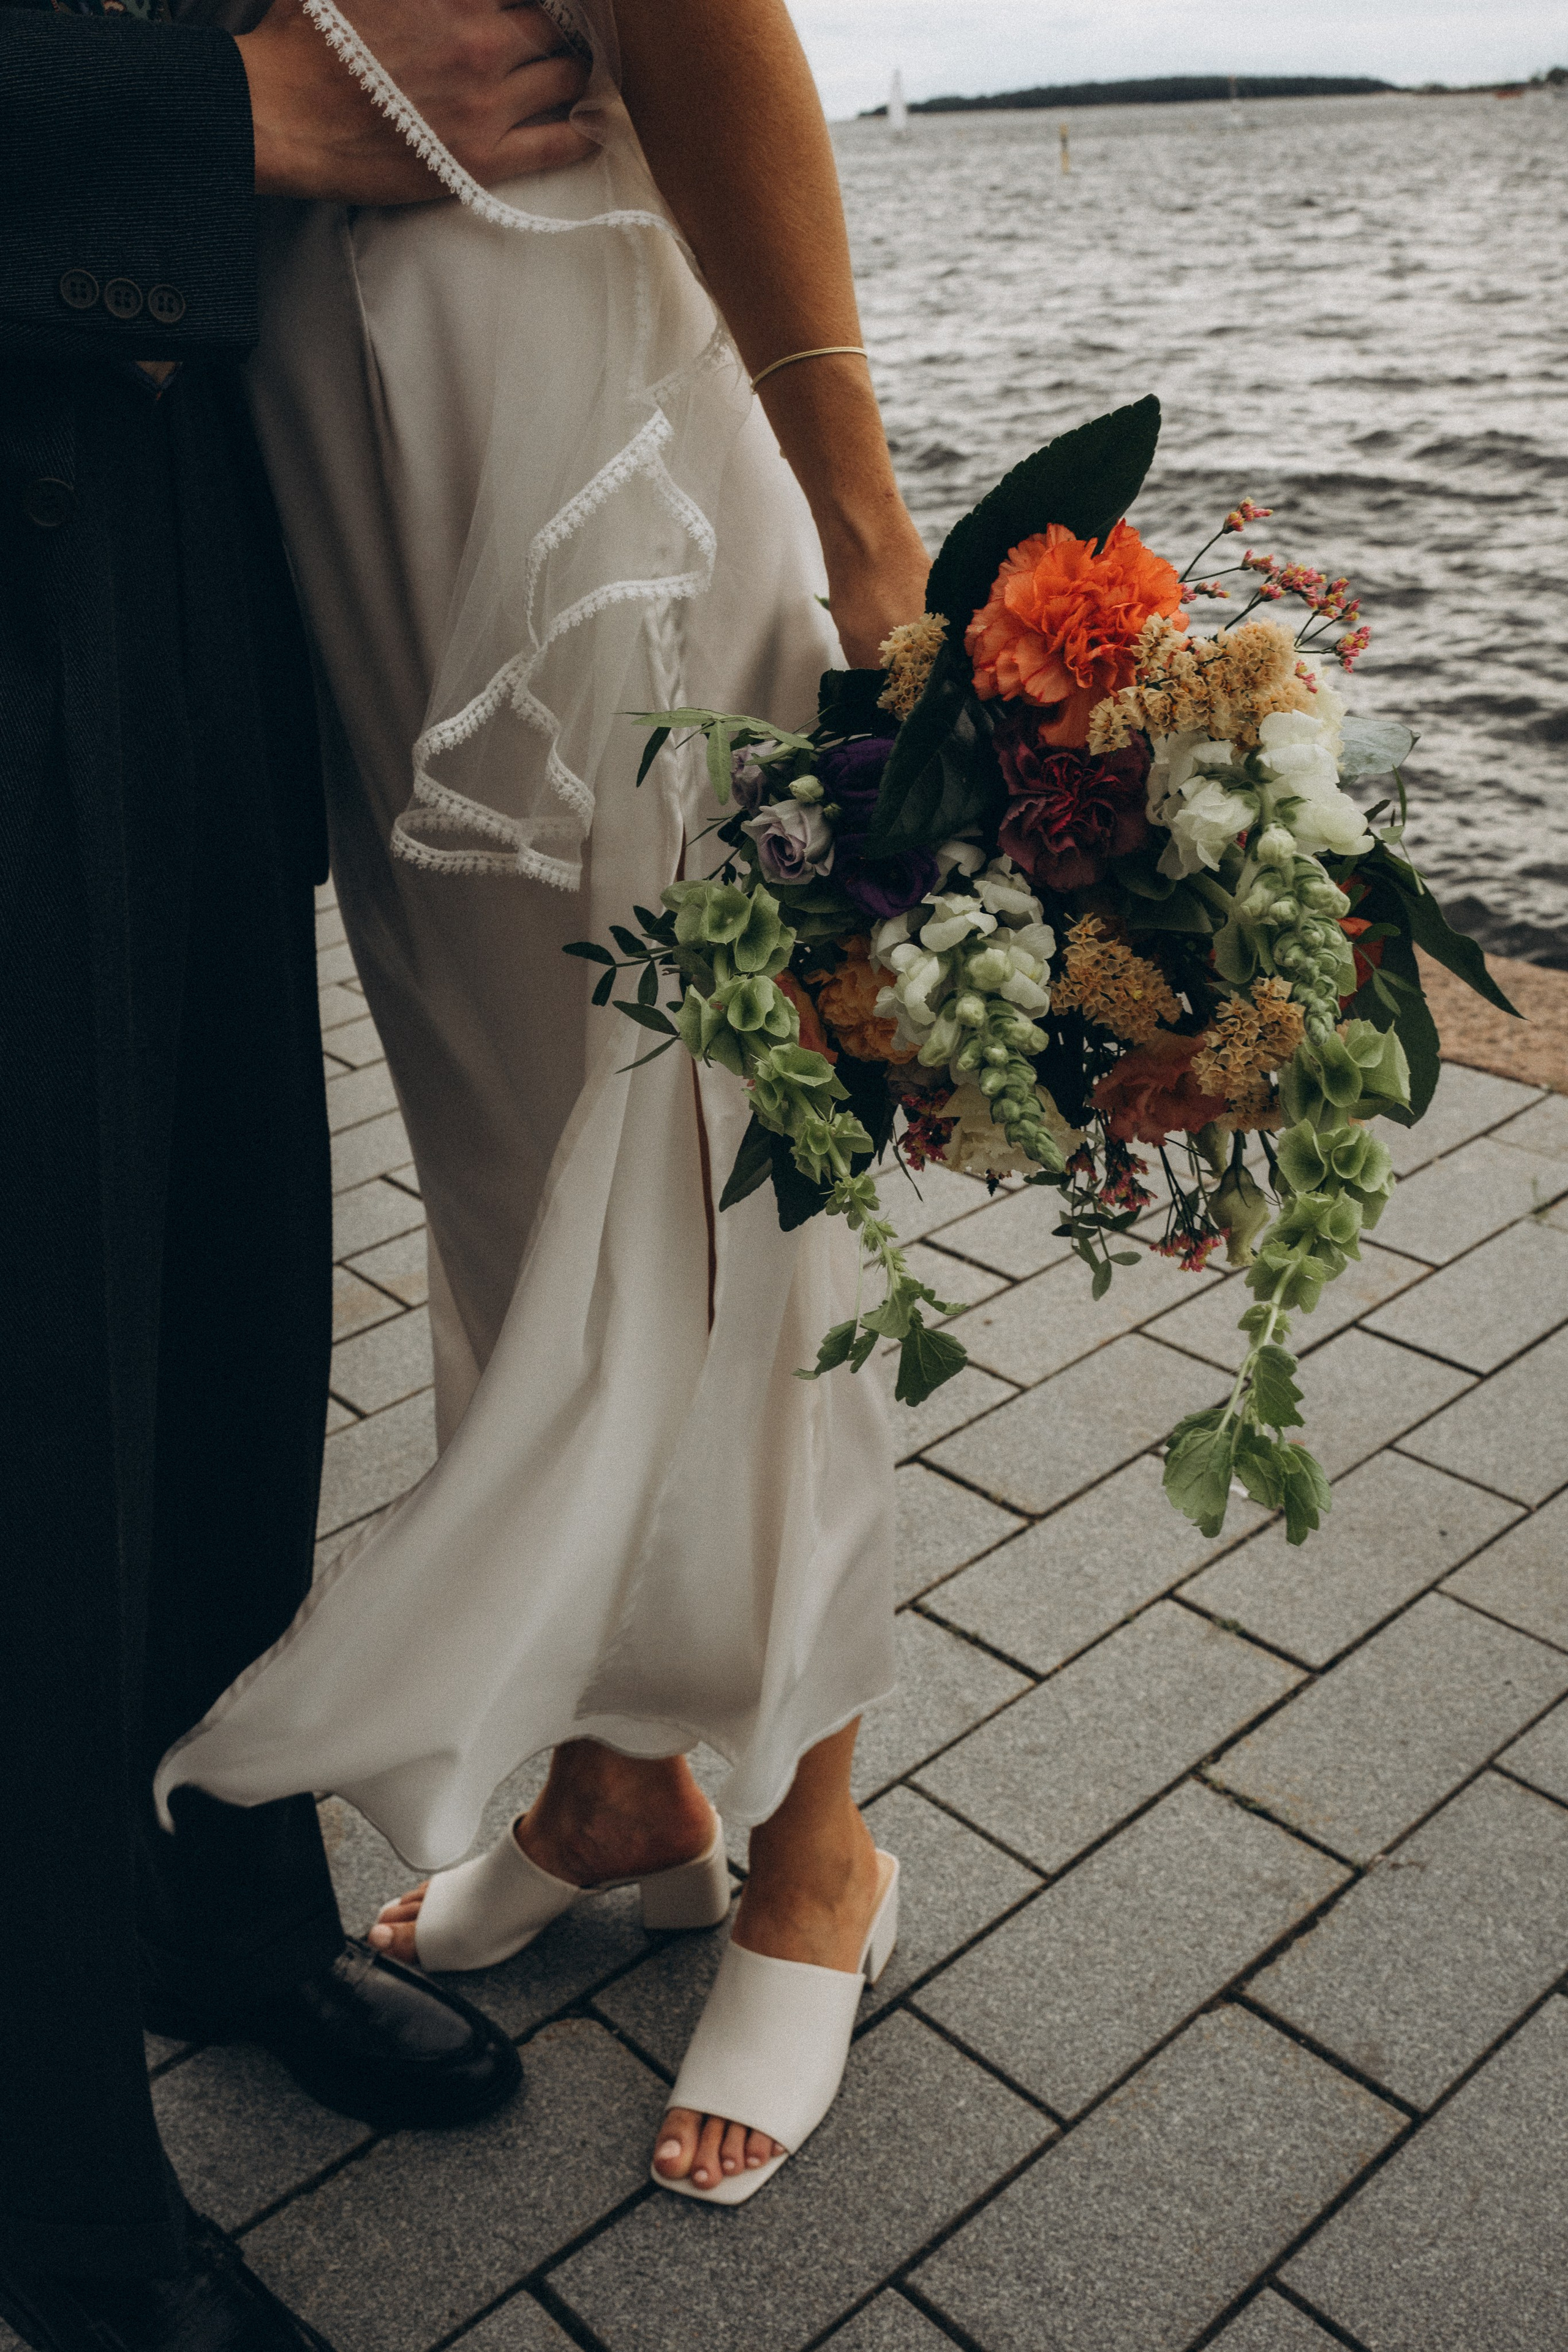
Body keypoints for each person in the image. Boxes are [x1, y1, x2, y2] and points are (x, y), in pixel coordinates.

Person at [156, 0, 932, 2204]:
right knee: (511, 1161)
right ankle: (616, 1790)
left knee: (723, 1155)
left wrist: (865, 536)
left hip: (594, 427)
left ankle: (816, 1841)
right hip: (337, 436)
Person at [0, 3, 597, 2345]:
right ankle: (55, 2189)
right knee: (40, 1368)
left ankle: (207, 1907)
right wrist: (205, 117)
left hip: (179, 486)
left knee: (232, 1265)